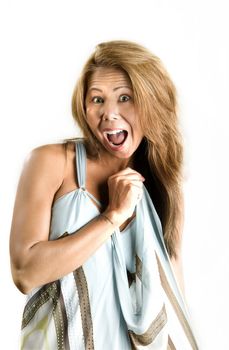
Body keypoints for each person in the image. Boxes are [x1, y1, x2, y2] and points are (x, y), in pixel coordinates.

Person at [10, 40, 198, 349]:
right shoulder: (53, 162)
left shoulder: (163, 184)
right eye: (97, 99)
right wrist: (113, 216)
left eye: (125, 97)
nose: (109, 114)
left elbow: (171, 298)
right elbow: (25, 272)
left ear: (152, 102)